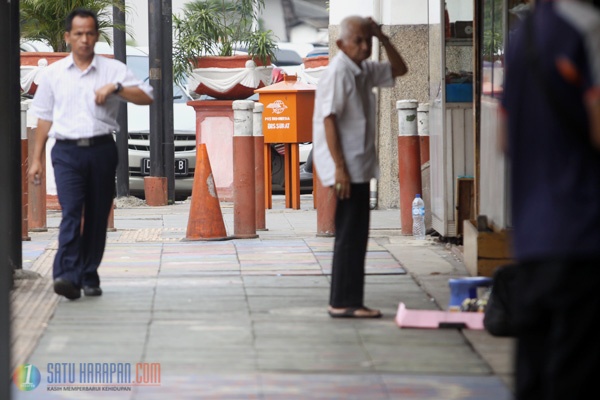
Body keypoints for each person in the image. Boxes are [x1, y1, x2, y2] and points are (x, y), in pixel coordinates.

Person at [501, 0, 600, 398]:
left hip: (531, 238)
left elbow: (504, 138)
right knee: (575, 376)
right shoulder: (588, 28)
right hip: (584, 233)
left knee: (535, 377)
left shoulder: (522, 35)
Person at [28, 8, 153, 300]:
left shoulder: (113, 70)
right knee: (72, 211)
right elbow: (43, 117)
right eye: (78, 33)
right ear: (68, 37)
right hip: (67, 152)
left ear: (96, 36)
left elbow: (146, 96)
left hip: (101, 149)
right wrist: (35, 160)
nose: (84, 39)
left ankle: (88, 274)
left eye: (89, 33)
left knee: (97, 215)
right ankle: (66, 274)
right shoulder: (53, 74)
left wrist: (117, 88)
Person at [312, 16, 407, 318]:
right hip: (346, 166)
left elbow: (400, 69)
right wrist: (339, 167)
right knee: (350, 234)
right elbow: (329, 119)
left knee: (356, 233)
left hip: (358, 164)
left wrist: (384, 37)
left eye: (368, 40)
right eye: (359, 41)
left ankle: (348, 300)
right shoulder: (338, 73)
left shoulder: (362, 69)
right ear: (341, 44)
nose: (365, 47)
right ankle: (343, 302)